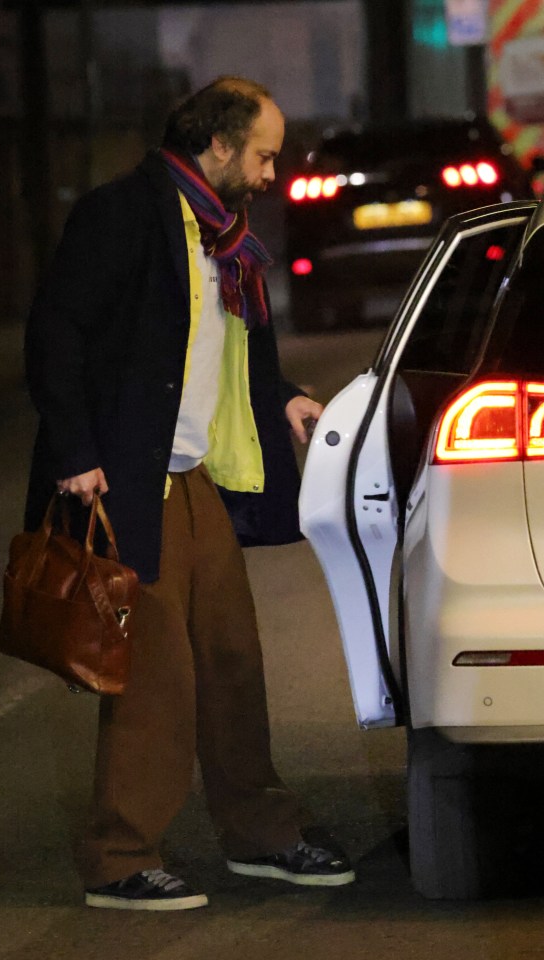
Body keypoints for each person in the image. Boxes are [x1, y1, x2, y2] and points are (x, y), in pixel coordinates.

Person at [24, 76, 354, 911]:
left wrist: (283, 396)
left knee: (233, 662)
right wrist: (75, 452)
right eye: (265, 154)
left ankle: (260, 833)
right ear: (217, 145)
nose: (273, 173)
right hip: (128, 475)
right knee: (156, 673)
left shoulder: (227, 237)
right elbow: (55, 328)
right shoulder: (125, 214)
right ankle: (119, 856)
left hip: (195, 475)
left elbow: (237, 351)